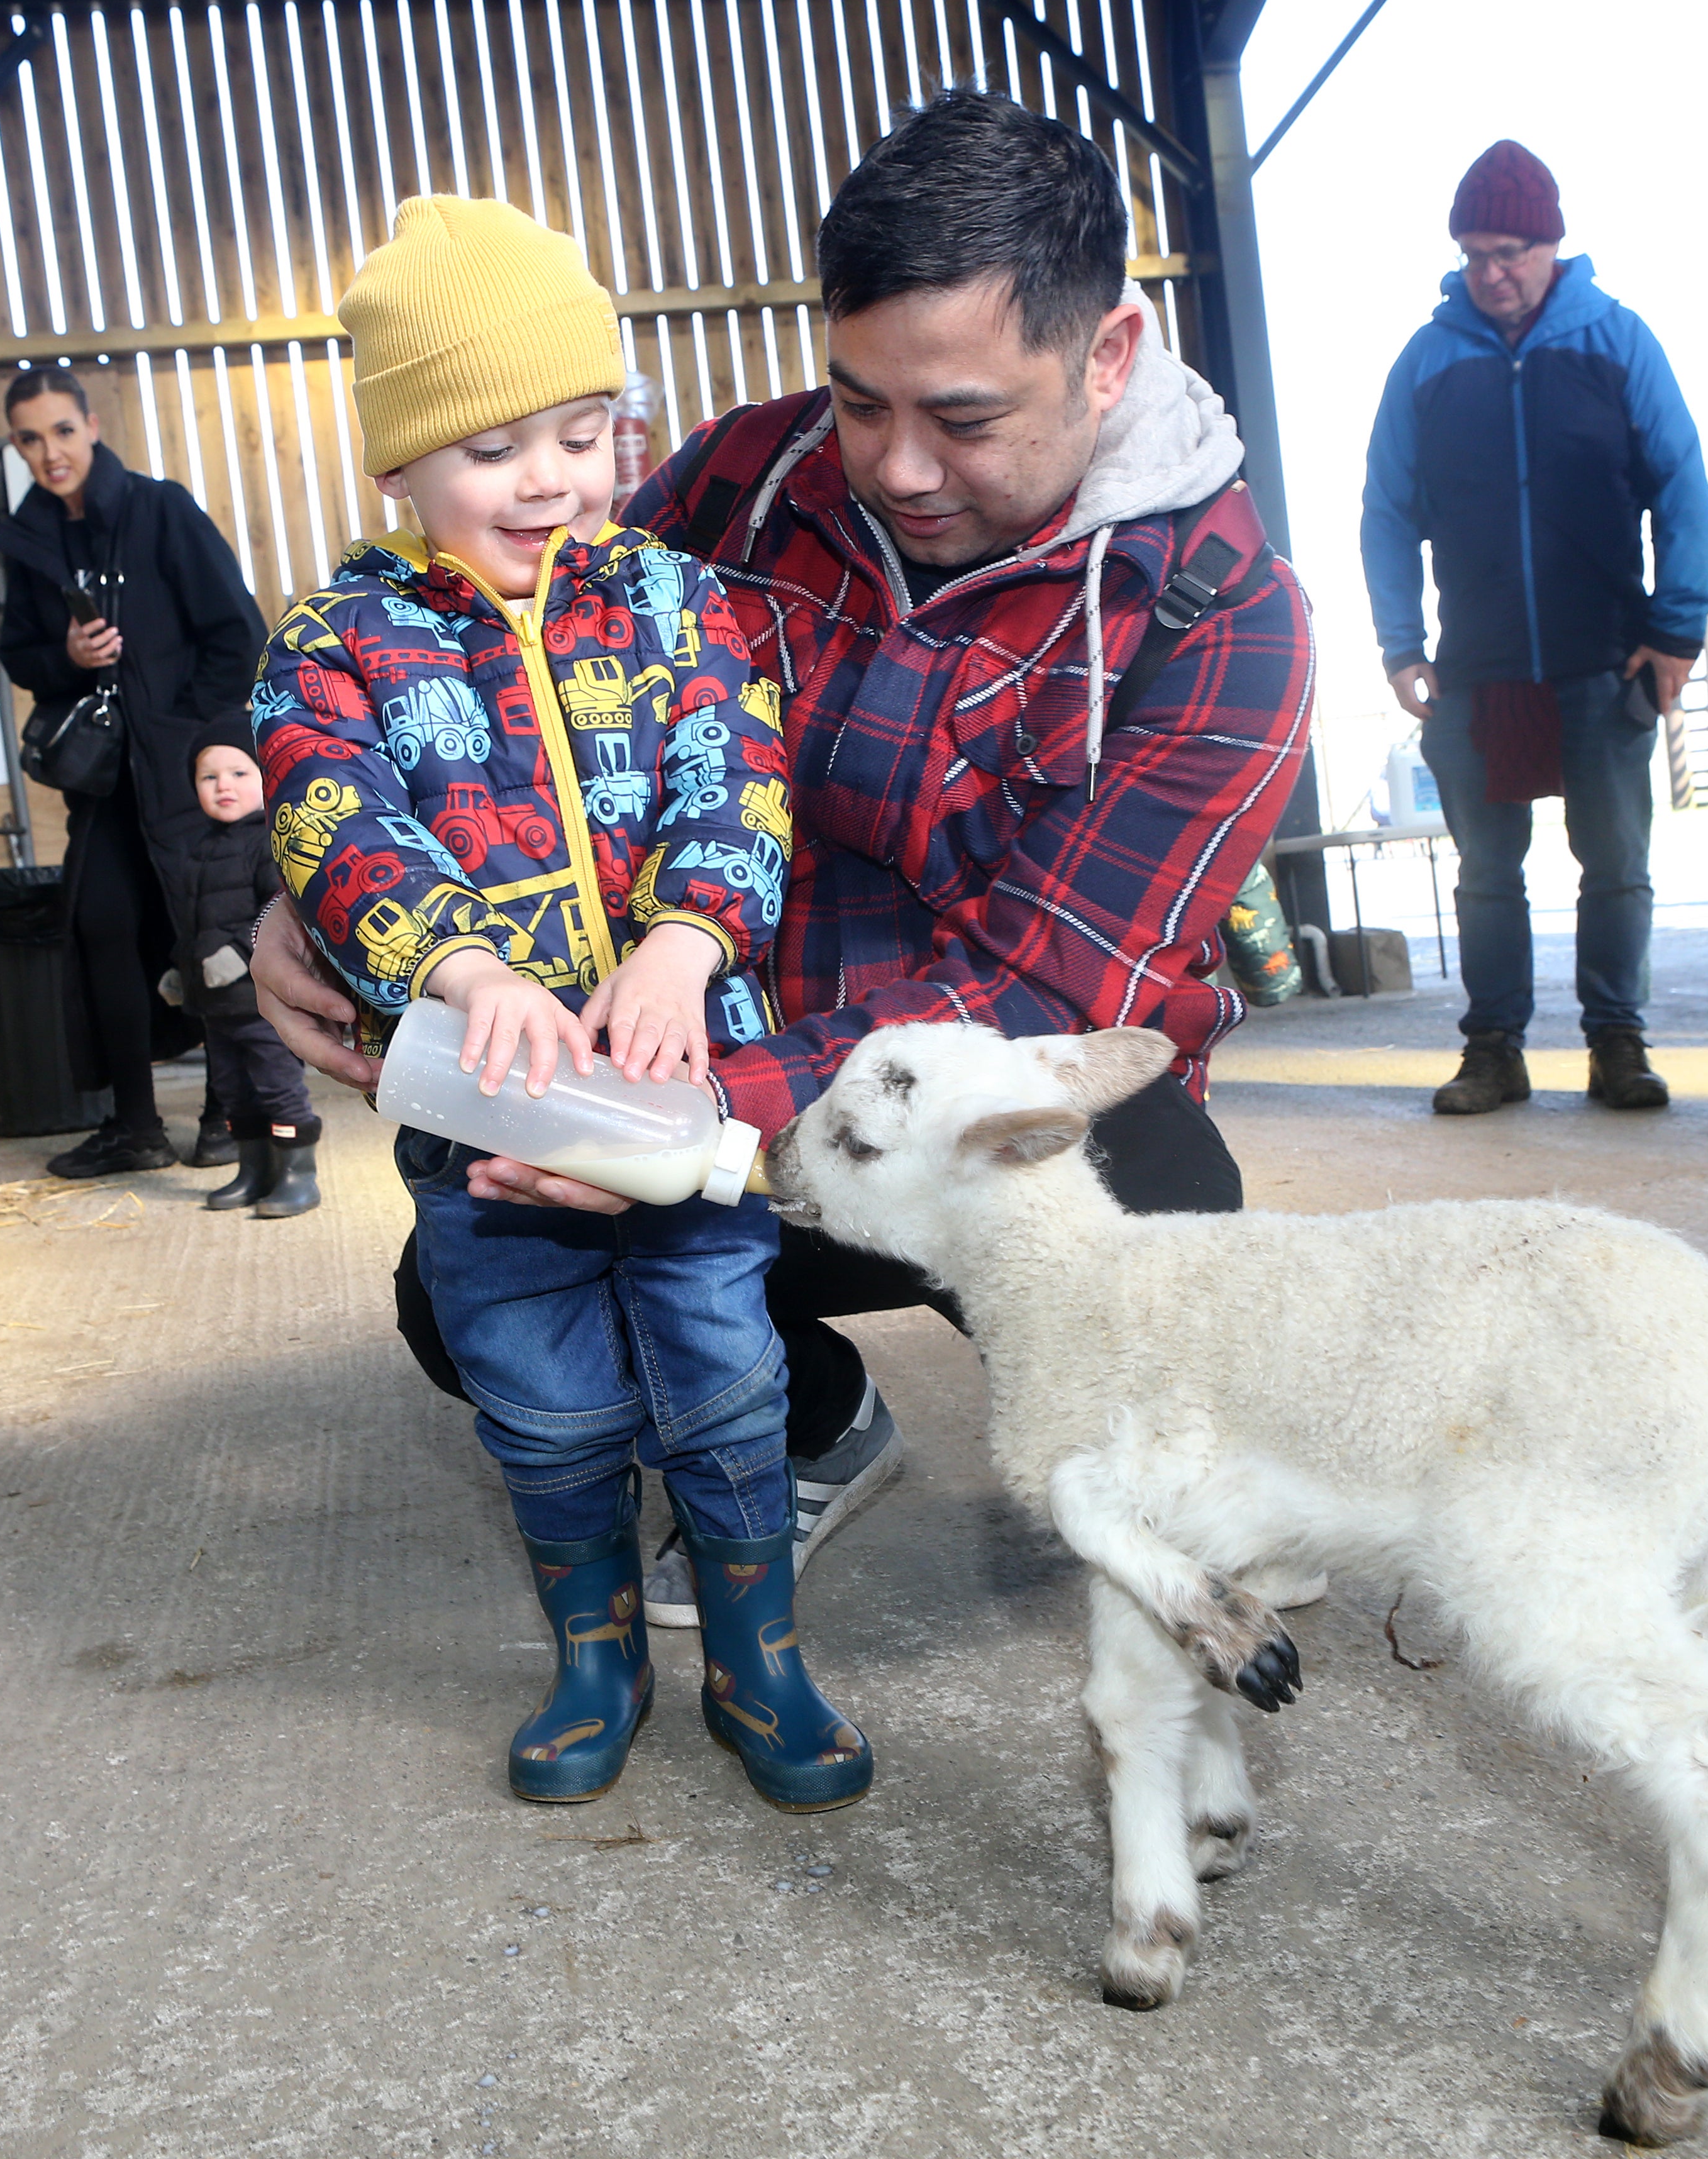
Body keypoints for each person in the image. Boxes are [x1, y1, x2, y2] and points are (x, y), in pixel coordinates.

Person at [250, 90, 1314, 1628]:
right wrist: (334, 894)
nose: (890, 463)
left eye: (960, 417)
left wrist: (645, 1120)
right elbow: (495, 690)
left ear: (1106, 354)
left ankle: (1156, 1423)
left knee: (1157, 1248)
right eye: (856, 399)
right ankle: (817, 1418)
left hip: (953, 1092)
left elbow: (1037, 996)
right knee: (469, 1285)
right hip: (727, 1045)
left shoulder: (1221, 614)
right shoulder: (742, 483)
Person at [252, 194, 865, 1812]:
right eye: (493, 446)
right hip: (490, 1126)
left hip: (679, 1093)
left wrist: (685, 942)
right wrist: (457, 967)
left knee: (727, 1372)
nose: (549, 478)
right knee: (537, 1393)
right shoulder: (334, 644)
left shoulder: (671, 599)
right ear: (395, 462)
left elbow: (734, 775)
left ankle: (761, 1655)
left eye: (583, 434)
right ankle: (596, 1653)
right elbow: (329, 816)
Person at [1363, 140, 1708, 1117]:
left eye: (1511, 250)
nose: (1492, 273)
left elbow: (1685, 493)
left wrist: (1676, 632)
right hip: (1479, 671)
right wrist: (1401, 646)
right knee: (1487, 871)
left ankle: (1617, 1042)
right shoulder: (1428, 362)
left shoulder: (1618, 342)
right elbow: (1386, 514)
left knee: (1615, 864)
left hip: (1604, 660)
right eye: (1475, 253)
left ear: (1553, 245)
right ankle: (1494, 1050)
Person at [0, 369, 270, 1178]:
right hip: (107, 782)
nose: (51, 453)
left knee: (208, 933)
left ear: (93, 425)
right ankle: (135, 1124)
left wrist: (204, 744)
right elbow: (19, 655)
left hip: (186, 774)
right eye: (31, 440)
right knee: (104, 926)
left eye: (62, 432)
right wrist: (67, 658)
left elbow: (236, 634)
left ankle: (232, 1112)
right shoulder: (30, 541)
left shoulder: (161, 511)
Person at [173, 721, 324, 1213]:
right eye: (208, 777)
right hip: (216, 1004)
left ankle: (298, 1176)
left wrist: (238, 954)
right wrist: (180, 969)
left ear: (266, 777)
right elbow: (193, 923)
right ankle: (253, 1170)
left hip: (261, 1003)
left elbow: (278, 912)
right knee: (233, 1093)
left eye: (239, 772)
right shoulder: (196, 849)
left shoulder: (269, 844)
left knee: (278, 1087)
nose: (223, 786)